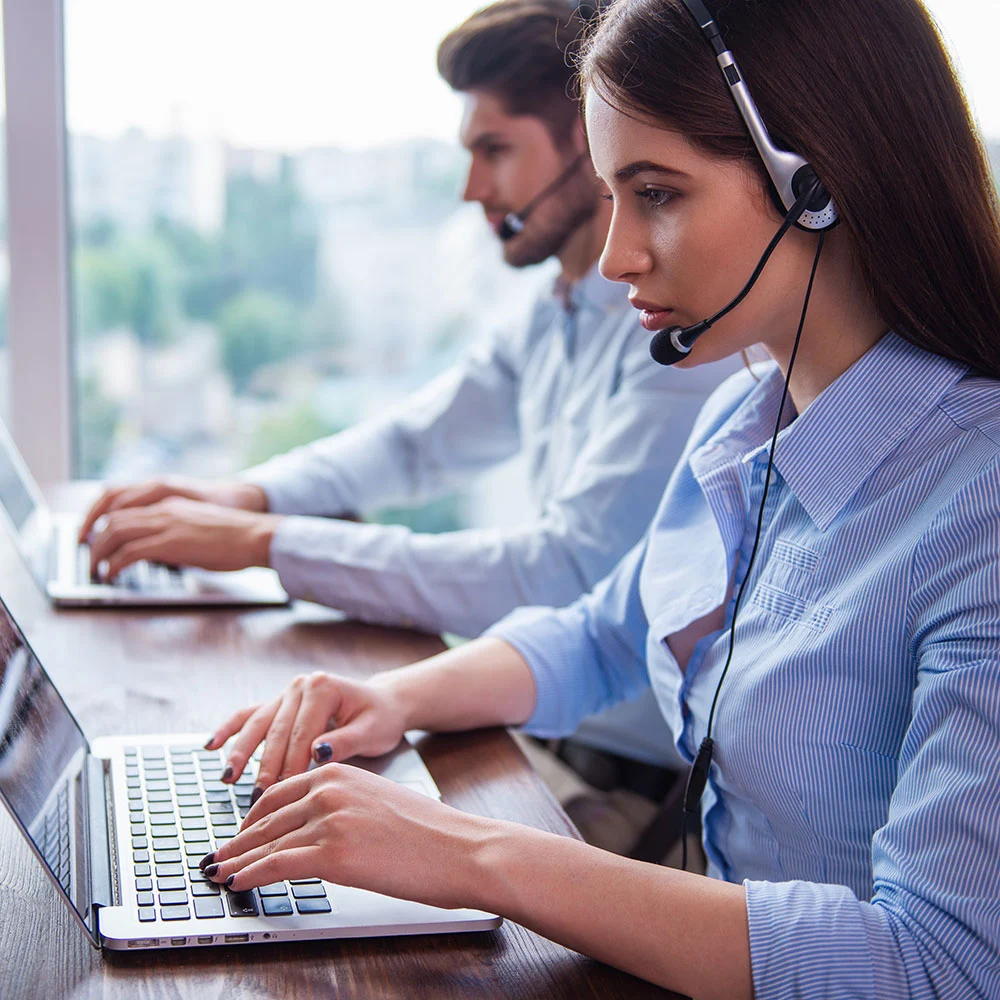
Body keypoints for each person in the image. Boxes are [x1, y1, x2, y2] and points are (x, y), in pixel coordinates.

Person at [191, 0, 1000, 996]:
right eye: (615, 193)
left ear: (817, 183)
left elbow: (941, 963)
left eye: (656, 192)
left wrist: (475, 857)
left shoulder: (977, 507)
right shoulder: (745, 418)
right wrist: (388, 701)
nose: (617, 254)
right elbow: (609, 631)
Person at [78, 0, 737, 790]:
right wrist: (240, 496)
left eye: (495, 150)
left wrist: (265, 544)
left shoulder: (689, 345)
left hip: (623, 779)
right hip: (530, 727)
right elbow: (415, 443)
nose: (470, 189)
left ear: (588, 142)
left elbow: (557, 574)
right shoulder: (555, 306)